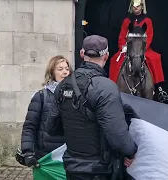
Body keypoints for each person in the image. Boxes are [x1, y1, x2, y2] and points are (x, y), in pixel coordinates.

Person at [47, 35, 138, 180]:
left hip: (72, 167)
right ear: (106, 56)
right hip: (100, 170)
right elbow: (117, 135)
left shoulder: (62, 86)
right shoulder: (106, 87)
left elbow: (51, 128)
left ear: (82, 54)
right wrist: (131, 151)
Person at [20, 55, 72, 167]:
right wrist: (28, 152)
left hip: (69, 156)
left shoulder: (75, 96)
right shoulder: (41, 96)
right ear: (52, 72)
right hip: (46, 156)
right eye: (60, 69)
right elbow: (29, 126)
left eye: (67, 69)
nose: (65, 72)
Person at [109, 0, 166, 96]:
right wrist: (123, 46)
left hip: (143, 48)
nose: (136, 8)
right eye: (134, 7)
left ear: (142, 7)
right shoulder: (126, 21)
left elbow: (149, 36)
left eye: (138, 6)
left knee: (155, 58)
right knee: (114, 60)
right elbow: (122, 36)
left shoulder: (148, 21)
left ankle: (159, 88)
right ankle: (112, 86)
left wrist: (143, 48)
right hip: (128, 47)